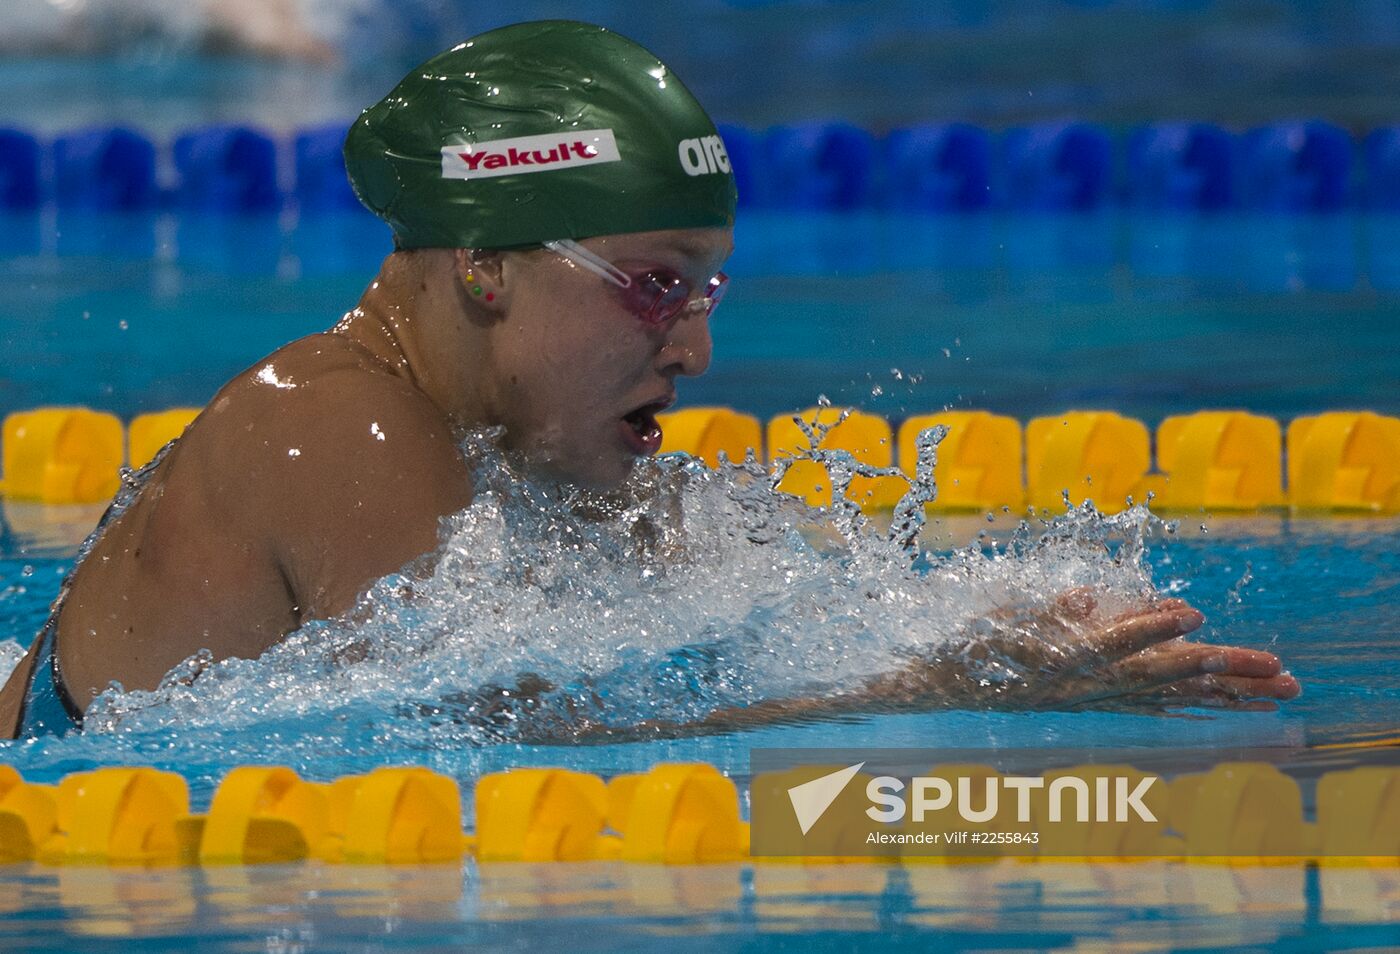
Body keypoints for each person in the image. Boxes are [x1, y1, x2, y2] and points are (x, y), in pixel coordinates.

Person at [0, 21, 1297, 740]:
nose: (695, 349)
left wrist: (1005, 629)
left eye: (706, 289)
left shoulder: (522, 442)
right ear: (493, 269)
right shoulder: (341, 429)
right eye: (654, 283)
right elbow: (505, 741)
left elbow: (739, 614)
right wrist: (930, 691)